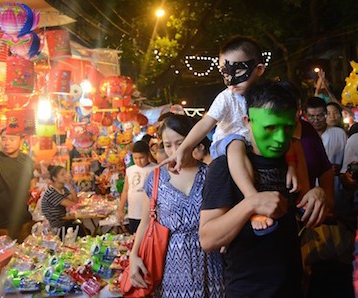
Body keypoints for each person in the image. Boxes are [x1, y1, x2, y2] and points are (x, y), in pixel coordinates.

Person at [199, 80, 326, 297]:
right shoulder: (225, 166)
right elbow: (208, 239)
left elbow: (305, 211)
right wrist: (251, 203)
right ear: (248, 122)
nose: (279, 138)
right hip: (248, 290)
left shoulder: (293, 160)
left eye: (287, 127)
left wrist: (318, 194)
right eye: (270, 128)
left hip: (293, 287)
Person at [161, 36, 297, 233]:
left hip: (254, 152)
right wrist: (184, 149)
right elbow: (205, 124)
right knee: (236, 143)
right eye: (226, 72)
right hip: (227, 145)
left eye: (239, 71)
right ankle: (253, 199)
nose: (231, 80)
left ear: (258, 70)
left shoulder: (265, 96)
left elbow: (286, 132)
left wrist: (292, 164)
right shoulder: (226, 97)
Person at [129, 114, 225, 297]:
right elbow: (145, 223)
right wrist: (134, 255)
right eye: (167, 145)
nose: (174, 150)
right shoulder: (155, 179)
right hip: (171, 266)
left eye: (180, 143)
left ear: (193, 139)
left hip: (211, 263)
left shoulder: (211, 175)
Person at [0, 128, 36, 249]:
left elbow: (32, 182)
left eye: (11, 139)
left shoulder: (27, 160)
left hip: (23, 219)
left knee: (24, 256)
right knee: (0, 258)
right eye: (3, 139)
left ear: (21, 140)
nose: (6, 143)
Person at [117, 140, 156, 234]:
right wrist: (120, 209)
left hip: (150, 214)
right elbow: (125, 190)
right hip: (133, 213)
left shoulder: (155, 169)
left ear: (148, 154)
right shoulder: (130, 170)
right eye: (135, 158)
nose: (139, 161)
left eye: (141, 157)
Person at [41, 165, 79, 234]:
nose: (66, 176)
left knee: (82, 229)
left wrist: (69, 184)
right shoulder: (51, 192)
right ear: (54, 178)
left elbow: (75, 201)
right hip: (56, 227)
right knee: (81, 231)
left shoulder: (63, 189)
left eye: (66, 173)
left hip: (65, 221)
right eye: (62, 174)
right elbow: (72, 204)